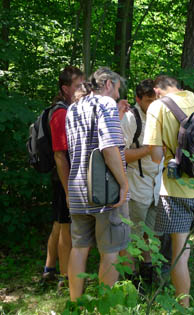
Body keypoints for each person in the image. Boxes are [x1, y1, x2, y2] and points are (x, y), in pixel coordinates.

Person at [142, 75, 194, 308]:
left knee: (180, 252)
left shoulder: (157, 107)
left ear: (158, 90)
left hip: (177, 190)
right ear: (178, 86)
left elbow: (156, 156)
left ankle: (184, 307)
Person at [65, 67, 130, 301]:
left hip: (78, 189)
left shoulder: (73, 108)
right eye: (118, 89)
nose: (117, 95)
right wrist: (124, 184)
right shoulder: (106, 104)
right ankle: (104, 305)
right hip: (105, 192)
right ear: (109, 84)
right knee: (110, 251)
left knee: (79, 248)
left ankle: (74, 303)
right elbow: (109, 147)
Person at [120, 79, 164, 282]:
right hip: (136, 185)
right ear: (138, 99)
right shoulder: (131, 119)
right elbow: (119, 154)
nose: (153, 104)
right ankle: (131, 278)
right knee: (131, 233)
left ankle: (148, 270)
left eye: (155, 99)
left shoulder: (161, 116)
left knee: (150, 233)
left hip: (157, 186)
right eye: (148, 100)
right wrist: (148, 149)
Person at [42, 66, 83, 288]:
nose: (82, 89)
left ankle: (49, 269)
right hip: (63, 178)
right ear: (66, 88)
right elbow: (60, 154)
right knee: (66, 226)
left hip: (62, 178)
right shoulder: (60, 113)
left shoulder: (68, 109)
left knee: (58, 223)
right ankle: (65, 278)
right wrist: (68, 190)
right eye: (78, 86)